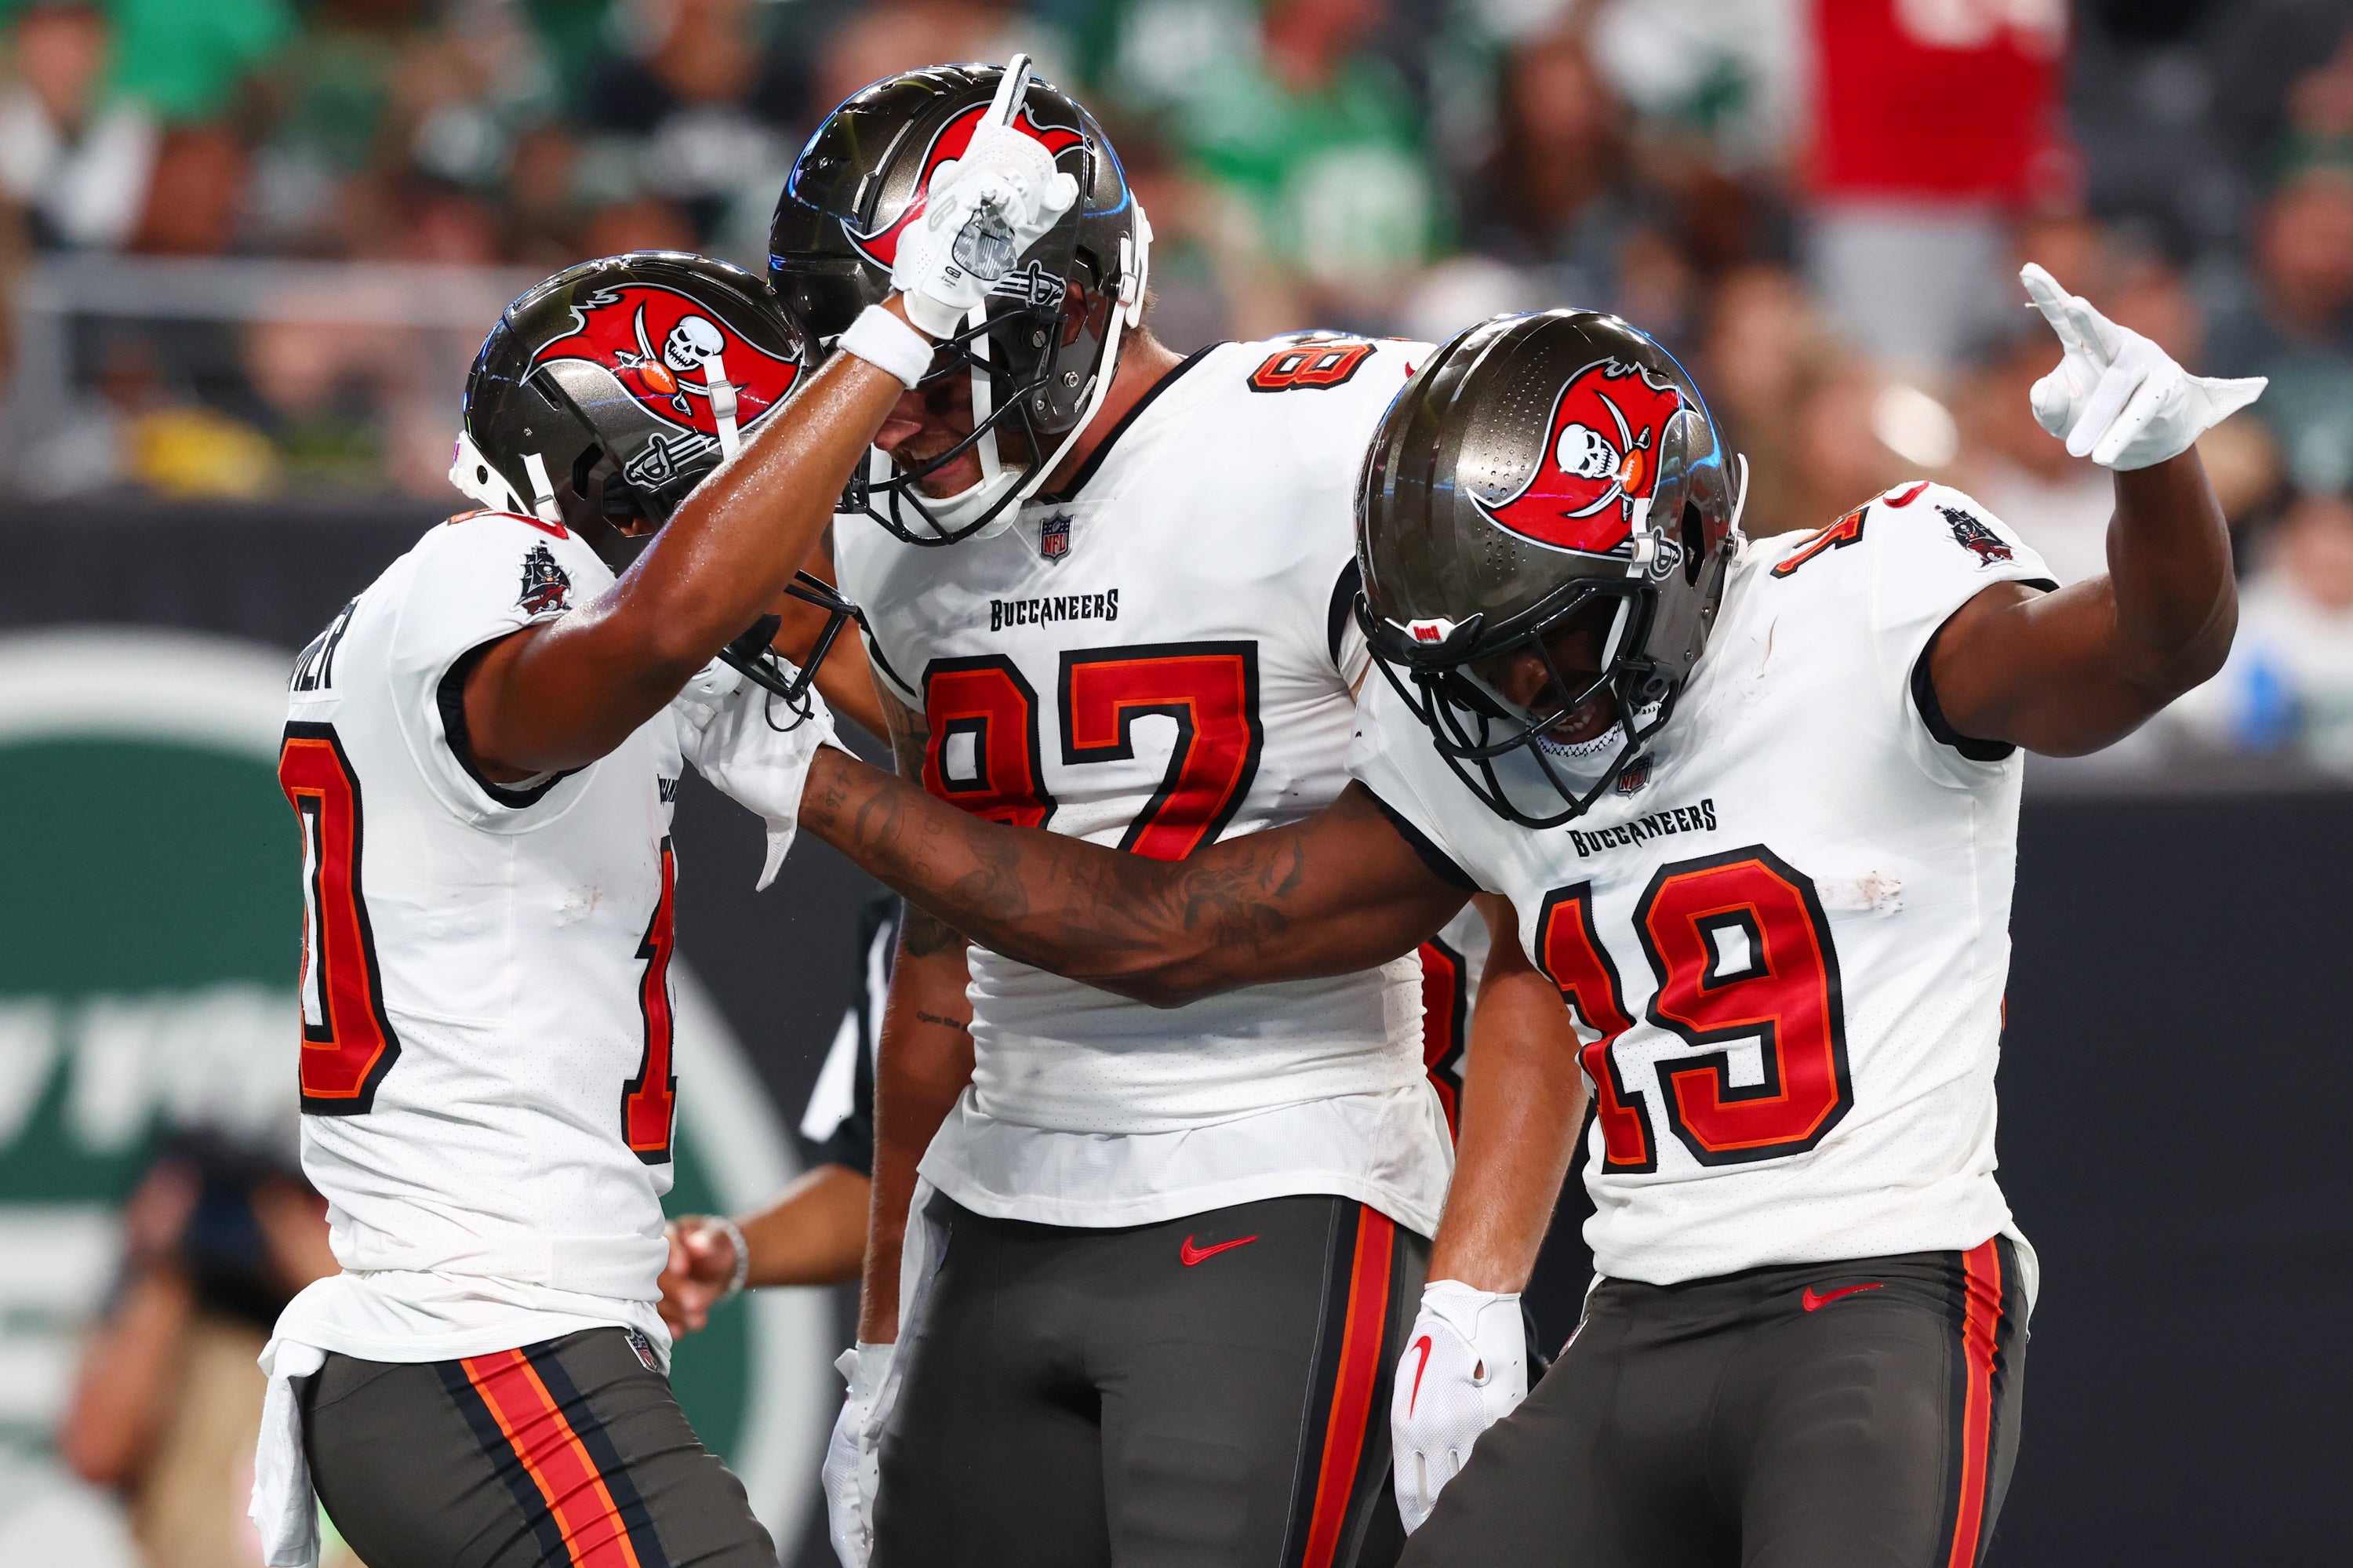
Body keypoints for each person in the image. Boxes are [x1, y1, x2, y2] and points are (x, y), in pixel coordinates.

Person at [784, 262, 2259, 1563]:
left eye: (1546, 643)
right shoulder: (1485, 740)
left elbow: (2151, 644)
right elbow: (1179, 925)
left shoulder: (1874, 608)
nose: (1516, 699)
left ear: (1676, 548)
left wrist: (2157, 471)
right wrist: (834, 767)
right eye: (1475, 662)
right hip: (1635, 1309)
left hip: (1878, 1298)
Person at [245, 99, 1078, 1568]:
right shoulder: (492, 580)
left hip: (508, 1341)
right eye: (752, 477)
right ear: (643, 470)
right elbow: (668, 620)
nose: (798, 523)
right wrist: (905, 319)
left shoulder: (529, 612)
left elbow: (905, 720)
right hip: (482, 1342)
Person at [765, 59, 1550, 1568]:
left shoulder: (1335, 439)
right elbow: (942, 961)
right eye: (877, 359)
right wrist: (880, 1333)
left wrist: (1480, 1281)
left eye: (942, 359)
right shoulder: (879, 545)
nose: (897, 415)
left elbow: (1535, 902)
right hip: (996, 1206)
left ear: (1068, 303)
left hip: (1278, 1175)